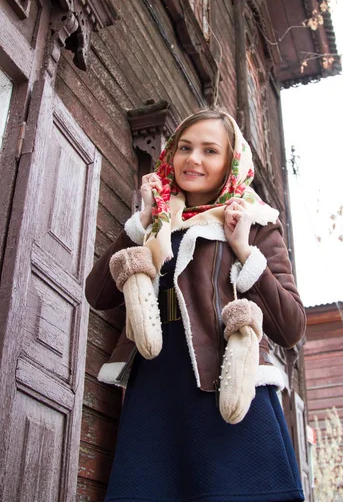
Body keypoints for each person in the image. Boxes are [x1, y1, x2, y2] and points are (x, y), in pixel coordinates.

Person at [85, 109, 306, 502]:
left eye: (210, 151)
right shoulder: (156, 221)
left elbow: (290, 327)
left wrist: (243, 249)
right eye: (185, 147)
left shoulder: (256, 223)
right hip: (157, 386)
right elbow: (98, 294)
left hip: (224, 387)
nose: (194, 159)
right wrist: (142, 222)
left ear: (230, 162)